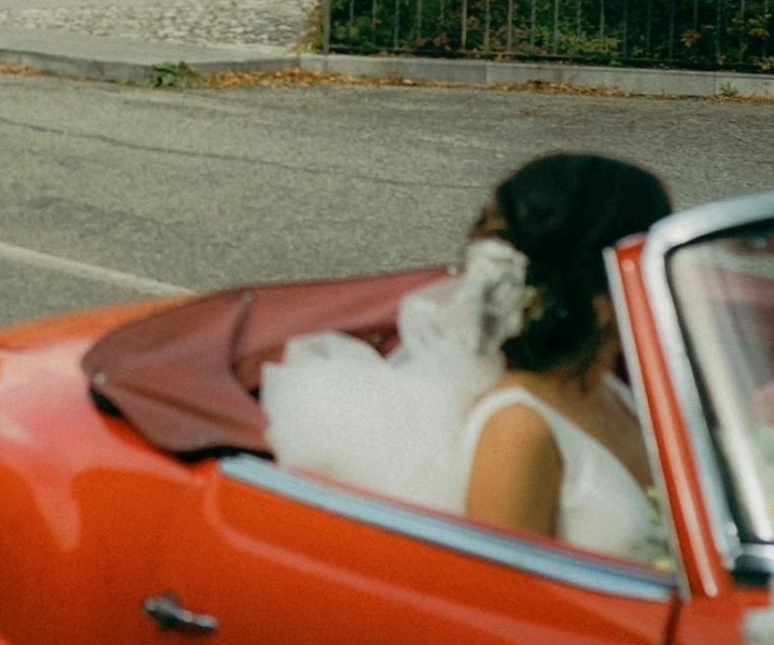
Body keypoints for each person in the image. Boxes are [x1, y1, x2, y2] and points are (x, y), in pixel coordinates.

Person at [261, 154, 673, 560]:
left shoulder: (613, 391)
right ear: (603, 300)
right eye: (658, 265)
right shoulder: (520, 430)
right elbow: (512, 607)